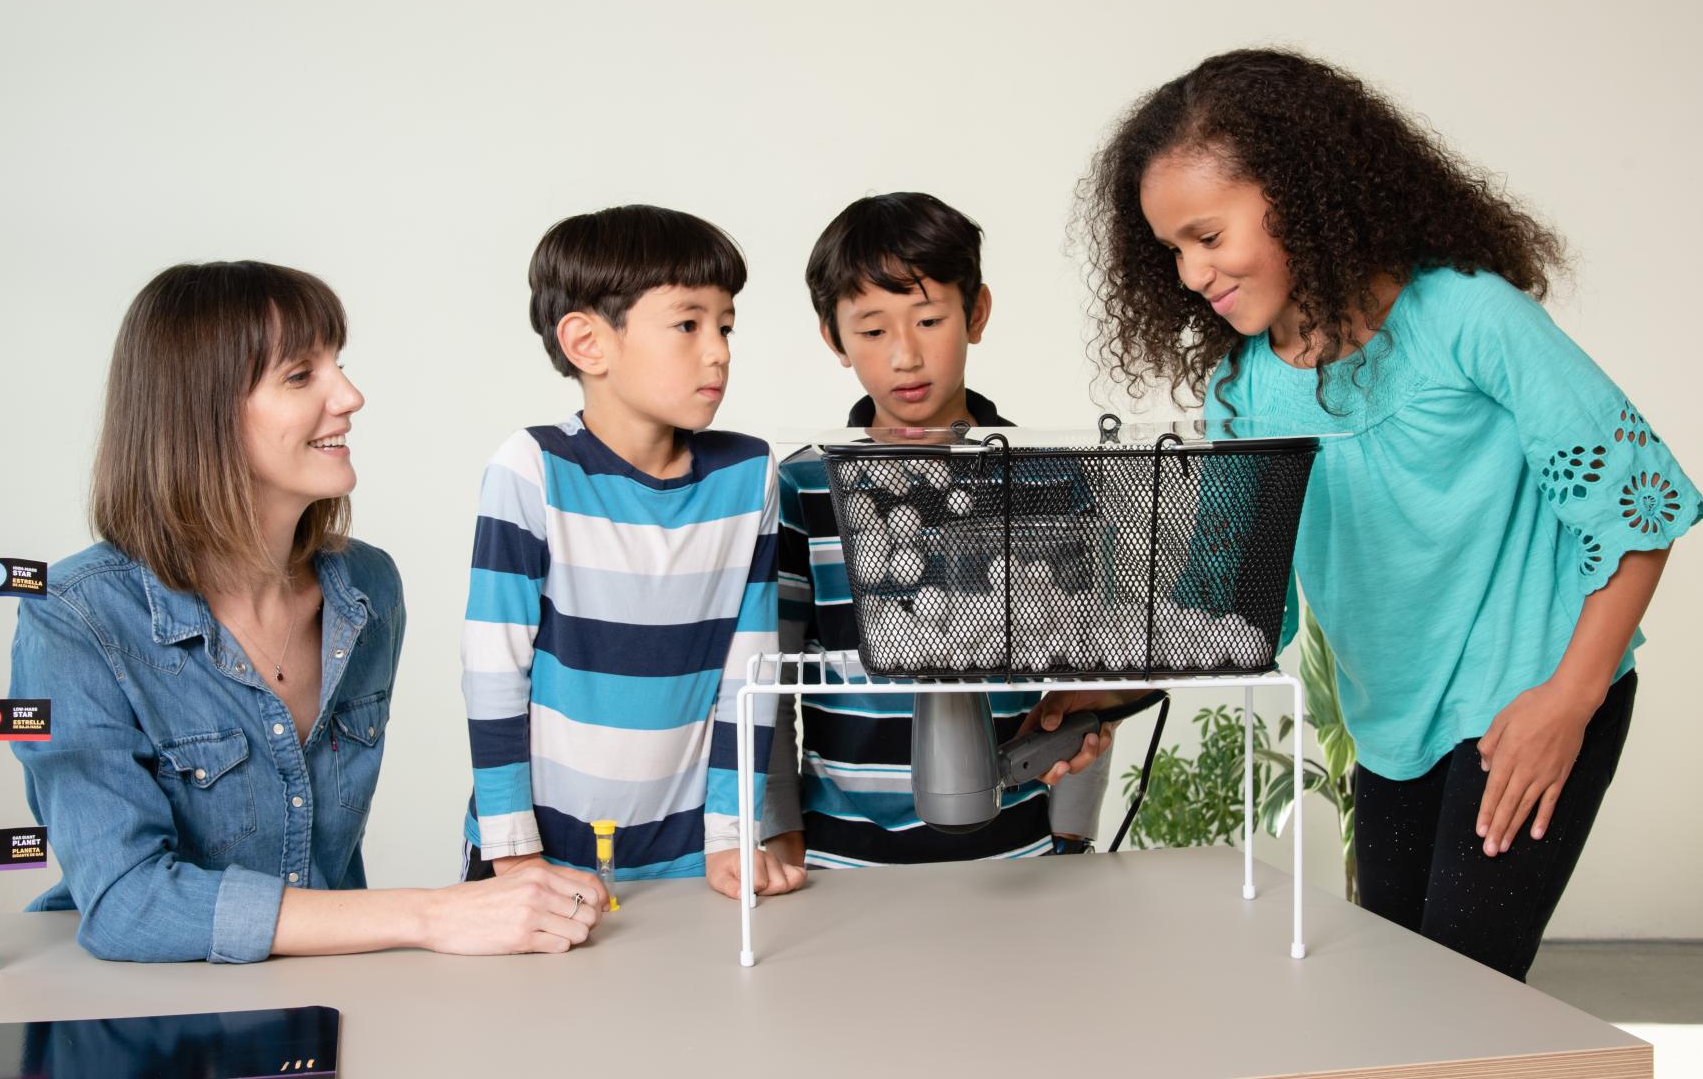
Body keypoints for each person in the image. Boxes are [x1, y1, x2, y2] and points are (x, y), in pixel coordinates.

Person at [1037, 48, 1699, 979]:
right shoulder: (1245, 391)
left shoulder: (1471, 320)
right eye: (1172, 252)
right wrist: (1094, 696)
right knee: (1398, 991)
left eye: (1207, 236)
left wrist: (1569, 701)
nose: (1190, 274)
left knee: (1464, 997)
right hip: (1390, 728)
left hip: (1531, 690)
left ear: (1299, 194)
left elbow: (1642, 510)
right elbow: (1231, 607)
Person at [11, 261, 605, 963]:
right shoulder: (76, 618)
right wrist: (433, 915)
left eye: (338, 366)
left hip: (324, 989)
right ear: (198, 414)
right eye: (301, 376)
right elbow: (127, 903)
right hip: (143, 1003)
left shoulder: (368, 589)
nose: (349, 396)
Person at [456, 205, 802, 900]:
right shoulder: (533, 469)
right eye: (688, 324)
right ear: (589, 343)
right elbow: (495, 670)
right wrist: (514, 851)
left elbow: (750, 673)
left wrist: (733, 836)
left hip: (691, 857)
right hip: (541, 855)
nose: (719, 350)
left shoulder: (748, 475)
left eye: (726, 325)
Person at [763, 191, 1114, 869]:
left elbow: (1087, 675)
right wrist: (782, 835)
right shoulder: (802, 488)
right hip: (843, 861)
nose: (905, 355)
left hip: (1017, 854)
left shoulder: (1053, 479)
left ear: (975, 312)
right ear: (833, 338)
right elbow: (771, 682)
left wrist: (1069, 837)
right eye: (872, 331)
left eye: (929, 320)